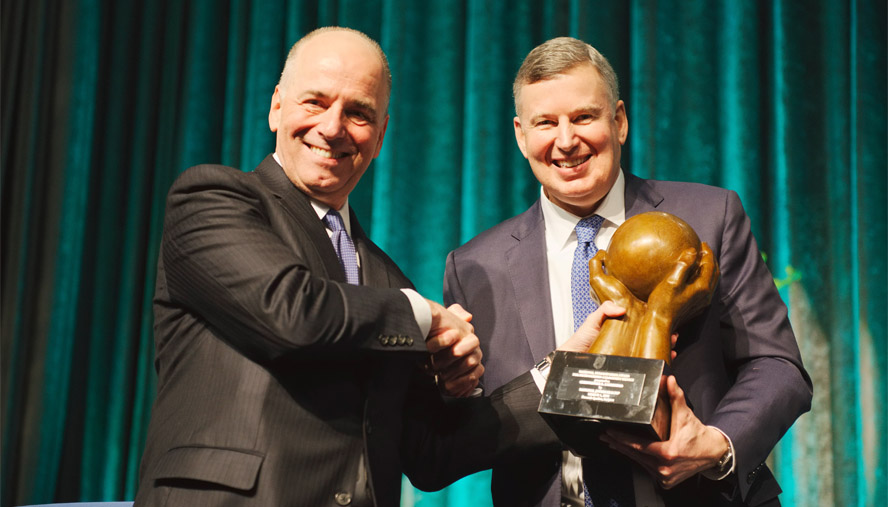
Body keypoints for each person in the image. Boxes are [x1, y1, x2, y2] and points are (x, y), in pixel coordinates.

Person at [134, 27, 618, 507]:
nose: (332, 127)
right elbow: (288, 312)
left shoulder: (384, 277)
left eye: (358, 113)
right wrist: (427, 319)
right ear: (276, 105)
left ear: (381, 134)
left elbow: (433, 454)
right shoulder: (213, 200)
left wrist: (562, 374)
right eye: (315, 102)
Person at [444, 37, 812, 507]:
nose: (565, 140)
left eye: (583, 117)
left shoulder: (710, 217)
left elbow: (776, 363)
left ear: (618, 120)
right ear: (520, 135)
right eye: (545, 123)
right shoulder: (475, 265)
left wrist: (717, 445)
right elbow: (463, 429)